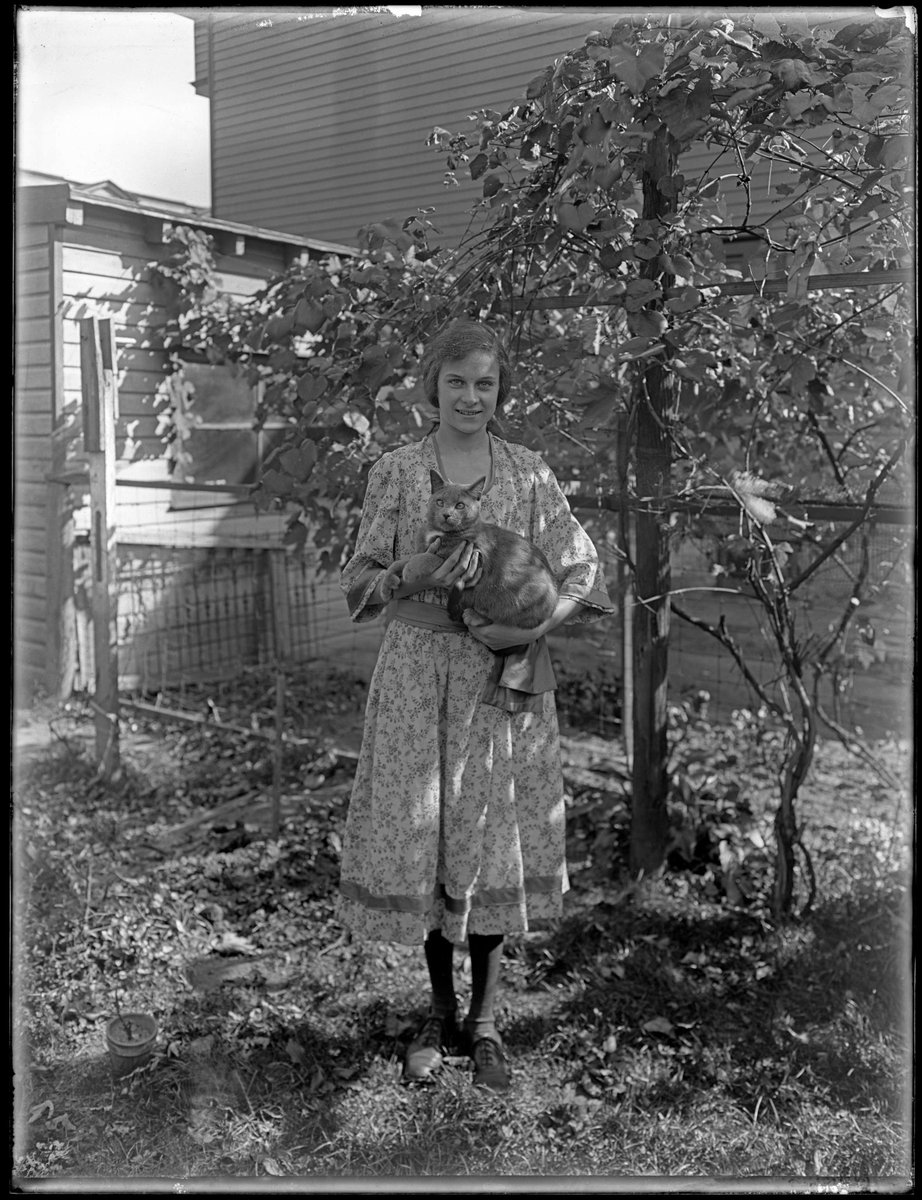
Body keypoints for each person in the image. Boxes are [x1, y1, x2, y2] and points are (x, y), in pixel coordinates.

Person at [336, 319, 614, 1092]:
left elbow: (582, 570)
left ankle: (486, 1024)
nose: (469, 395)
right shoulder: (396, 471)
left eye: (484, 383)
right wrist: (408, 573)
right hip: (418, 680)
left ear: (500, 392)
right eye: (455, 381)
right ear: (432, 388)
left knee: (489, 838)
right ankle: (438, 1016)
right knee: (426, 837)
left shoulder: (528, 474)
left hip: (501, 677)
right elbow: (358, 579)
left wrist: (527, 622)